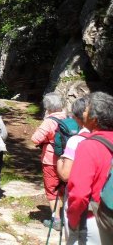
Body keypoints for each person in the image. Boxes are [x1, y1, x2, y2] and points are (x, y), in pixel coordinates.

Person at [67, 91, 113, 244]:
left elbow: (79, 193)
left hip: (97, 220)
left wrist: (72, 220)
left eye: (86, 110)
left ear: (94, 119)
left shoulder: (89, 146)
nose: (83, 113)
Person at [57, 95, 100, 244]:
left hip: (84, 211)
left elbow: (65, 174)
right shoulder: (108, 138)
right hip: (105, 209)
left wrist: (59, 161)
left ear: (77, 118)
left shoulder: (76, 141)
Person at [31, 92, 66, 231]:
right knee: (64, 188)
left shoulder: (49, 121)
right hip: (68, 160)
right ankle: (66, 216)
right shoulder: (68, 118)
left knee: (52, 190)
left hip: (51, 160)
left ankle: (56, 220)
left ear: (48, 107)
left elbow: (35, 139)